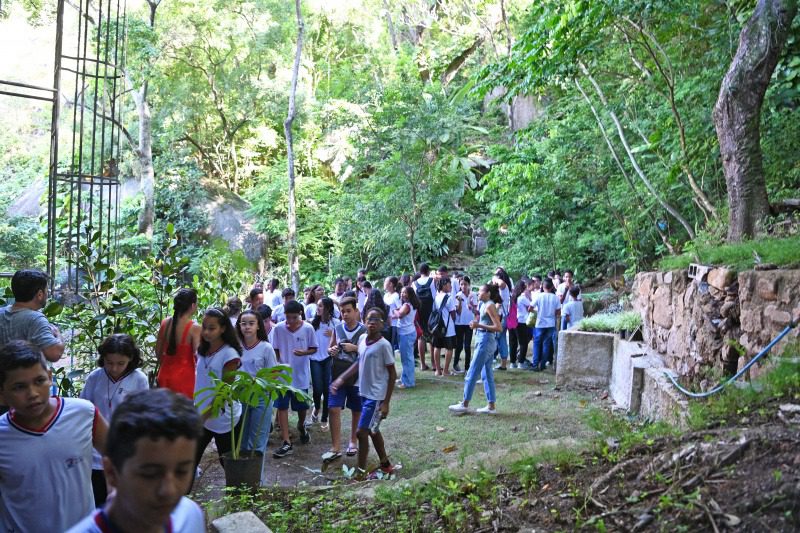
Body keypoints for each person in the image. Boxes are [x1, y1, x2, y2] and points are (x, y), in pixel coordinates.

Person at [0, 341, 108, 532]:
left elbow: (121, 456)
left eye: (39, 381)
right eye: (19, 387)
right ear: (2, 394)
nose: (32, 393)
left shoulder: (84, 413)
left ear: (50, 378)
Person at [66, 389, 205, 533]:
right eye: (150, 474)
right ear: (111, 473)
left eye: (182, 472)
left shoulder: (190, 516)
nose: (169, 490)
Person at [80, 334, 149, 507]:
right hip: (96, 451)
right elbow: (84, 408)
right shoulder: (95, 377)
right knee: (97, 499)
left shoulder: (139, 379)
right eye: (109, 363)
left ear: (131, 359)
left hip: (124, 449)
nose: (114, 368)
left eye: (120, 363)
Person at [330, 308, 396, 480]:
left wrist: (386, 402)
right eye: (369, 319)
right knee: (373, 430)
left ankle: (360, 472)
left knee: (361, 432)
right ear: (364, 321)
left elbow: (392, 373)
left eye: (376, 319)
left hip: (376, 395)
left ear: (382, 323)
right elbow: (359, 362)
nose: (372, 322)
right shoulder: (361, 339)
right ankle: (385, 464)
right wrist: (341, 379)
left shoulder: (384, 345)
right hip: (364, 391)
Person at [193, 308, 242, 469]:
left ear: (223, 329)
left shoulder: (230, 354)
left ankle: (238, 494)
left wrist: (203, 416)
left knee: (228, 463)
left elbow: (224, 390)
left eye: (212, 328)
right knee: (190, 460)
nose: (206, 332)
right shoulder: (202, 350)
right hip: (202, 414)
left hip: (224, 417)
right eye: (204, 326)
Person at [271, 301, 317, 458]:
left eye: (294, 317)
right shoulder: (278, 329)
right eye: (287, 317)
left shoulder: (308, 328)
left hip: (300, 374)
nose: (290, 321)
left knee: (301, 406)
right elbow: (275, 348)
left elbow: (314, 348)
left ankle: (301, 425)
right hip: (283, 376)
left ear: (300, 314)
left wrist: (304, 352)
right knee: (282, 407)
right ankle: (286, 441)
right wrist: (278, 363)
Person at [449, 283, 503, 416]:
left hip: (486, 341)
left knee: (472, 372)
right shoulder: (484, 305)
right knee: (486, 374)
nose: (478, 293)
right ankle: (491, 406)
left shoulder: (490, 305)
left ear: (488, 293)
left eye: (480, 291)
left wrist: (479, 325)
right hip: (483, 339)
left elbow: (499, 327)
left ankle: (464, 404)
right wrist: (477, 323)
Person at [236, 309, 277, 461]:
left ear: (258, 326)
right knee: (241, 440)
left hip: (261, 397)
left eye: (251, 323)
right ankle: (243, 480)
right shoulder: (237, 347)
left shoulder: (266, 347)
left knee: (257, 441)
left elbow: (274, 374)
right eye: (244, 324)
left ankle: (255, 481)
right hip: (241, 397)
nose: (247, 327)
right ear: (239, 326)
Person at [0, 269, 64, 362]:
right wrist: (58, 335)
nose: (48, 293)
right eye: (47, 290)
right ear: (40, 294)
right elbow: (54, 353)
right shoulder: (36, 319)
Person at [155, 288, 201, 399]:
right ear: (192, 305)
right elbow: (199, 357)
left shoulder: (165, 323)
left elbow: (158, 352)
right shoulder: (194, 328)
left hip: (164, 375)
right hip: (184, 380)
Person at [309, 297, 337, 430]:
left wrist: (334, 335)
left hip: (328, 359)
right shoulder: (312, 324)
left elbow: (343, 341)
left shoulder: (335, 324)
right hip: (314, 359)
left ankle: (325, 418)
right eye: (317, 306)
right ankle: (316, 408)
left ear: (328, 308)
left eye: (320, 306)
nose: (317, 308)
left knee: (327, 389)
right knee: (317, 388)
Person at [531, 279, 561, 371]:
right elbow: (558, 312)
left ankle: (535, 364)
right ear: (552, 287)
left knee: (536, 343)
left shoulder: (539, 296)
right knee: (546, 343)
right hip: (551, 323)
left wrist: (536, 312)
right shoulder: (555, 297)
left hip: (540, 323)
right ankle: (543, 364)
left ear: (542, 287)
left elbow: (530, 308)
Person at [412, 263, 436, 371]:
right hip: (430, 312)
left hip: (419, 312)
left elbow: (414, 298)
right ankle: (434, 363)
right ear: (428, 271)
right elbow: (434, 297)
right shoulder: (432, 281)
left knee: (421, 338)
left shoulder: (414, 283)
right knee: (432, 337)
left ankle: (422, 364)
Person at [394, 286, 419, 388]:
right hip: (407, 332)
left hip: (406, 334)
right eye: (401, 292)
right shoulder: (410, 304)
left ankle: (408, 382)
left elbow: (399, 315)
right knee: (406, 357)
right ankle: (405, 378)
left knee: (407, 358)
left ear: (410, 294)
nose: (402, 294)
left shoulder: (407, 305)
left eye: (405, 293)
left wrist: (394, 310)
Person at [431, 277, 457, 376]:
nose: (451, 286)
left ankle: (438, 370)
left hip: (437, 326)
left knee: (437, 347)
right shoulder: (448, 297)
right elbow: (453, 313)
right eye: (449, 284)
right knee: (449, 348)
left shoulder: (436, 296)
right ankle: (445, 370)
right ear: (445, 285)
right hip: (447, 326)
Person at [453, 276, 478, 374]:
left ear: (469, 285)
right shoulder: (458, 295)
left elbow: (476, 311)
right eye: (461, 284)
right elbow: (458, 312)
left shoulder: (473, 295)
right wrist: (459, 302)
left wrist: (471, 304)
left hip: (469, 323)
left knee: (467, 346)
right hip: (459, 323)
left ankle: (467, 367)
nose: (463, 286)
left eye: (465, 284)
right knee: (459, 345)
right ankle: (455, 364)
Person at [492, 267, 513, 371]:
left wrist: (495, 278)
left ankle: (503, 363)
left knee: (500, 338)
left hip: (502, 317)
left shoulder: (503, 287)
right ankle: (503, 363)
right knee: (501, 338)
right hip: (503, 316)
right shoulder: (504, 288)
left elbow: (500, 283)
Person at [510, 280, 533, 369]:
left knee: (513, 342)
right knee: (523, 343)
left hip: (512, 321)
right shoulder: (522, 298)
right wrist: (529, 297)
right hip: (521, 322)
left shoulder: (512, 297)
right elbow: (531, 306)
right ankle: (521, 362)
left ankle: (512, 362)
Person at [383, 276, 401, 350]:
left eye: (385, 282)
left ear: (390, 284)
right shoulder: (385, 295)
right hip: (385, 324)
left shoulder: (396, 296)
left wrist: (391, 317)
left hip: (393, 324)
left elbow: (400, 310)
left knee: (390, 345)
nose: (384, 283)